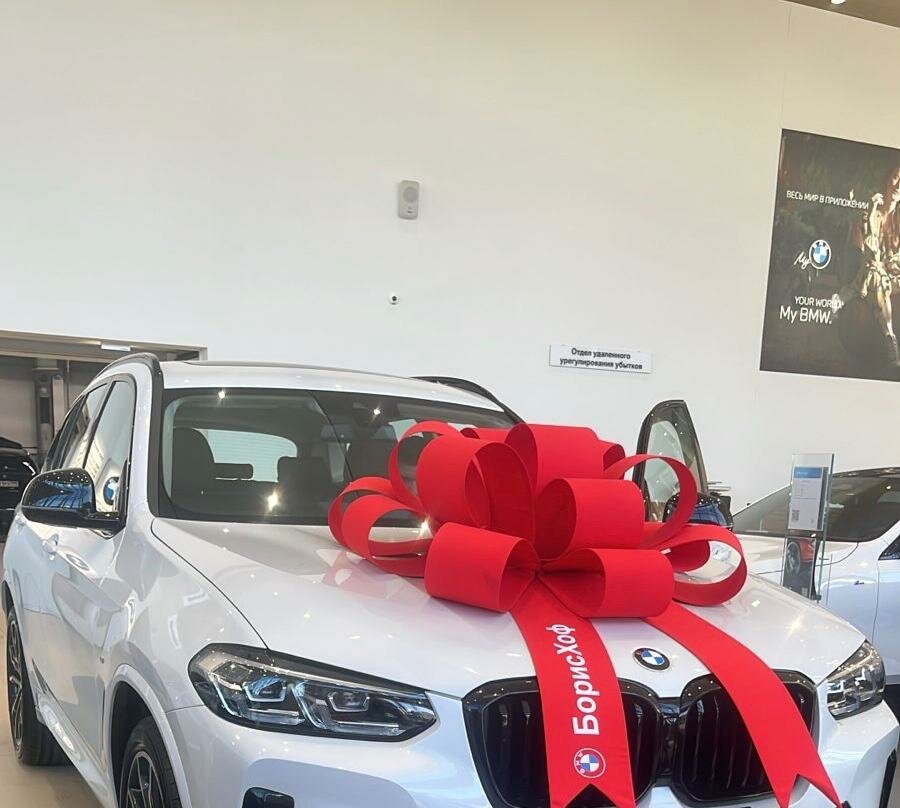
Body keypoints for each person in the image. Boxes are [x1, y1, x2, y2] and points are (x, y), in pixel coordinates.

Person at [834, 164, 900, 367]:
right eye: (896, 177)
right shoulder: (869, 214)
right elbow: (857, 254)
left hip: (892, 278)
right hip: (868, 276)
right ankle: (889, 337)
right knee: (875, 274)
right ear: (887, 180)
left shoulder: (898, 221)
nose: (899, 185)